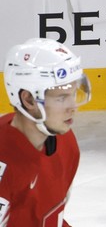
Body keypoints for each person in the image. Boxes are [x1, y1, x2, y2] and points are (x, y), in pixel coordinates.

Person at [0, 38, 91, 226]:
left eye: (73, 94)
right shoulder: (4, 167)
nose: (73, 106)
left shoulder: (67, 142)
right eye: (61, 98)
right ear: (29, 100)